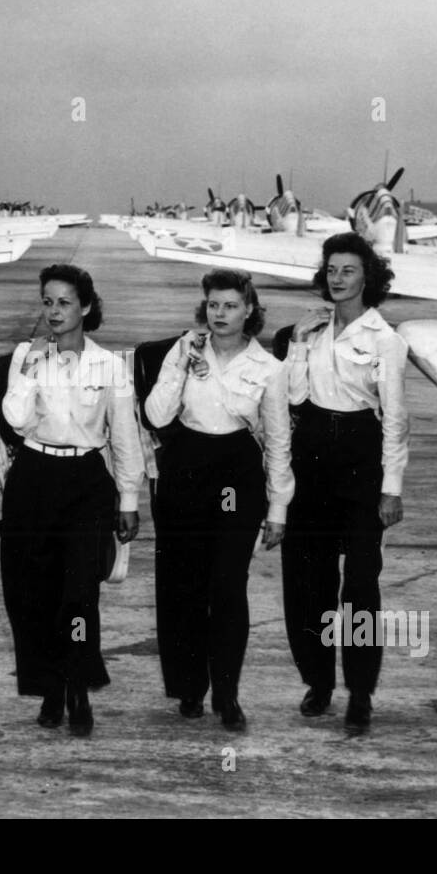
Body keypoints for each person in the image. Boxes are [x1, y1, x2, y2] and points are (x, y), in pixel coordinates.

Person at [145, 269, 292, 730]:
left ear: (249, 309)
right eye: (213, 305)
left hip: (235, 474)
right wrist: (181, 367)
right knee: (181, 584)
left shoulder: (268, 368)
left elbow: (278, 440)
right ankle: (189, 687)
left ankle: (226, 692)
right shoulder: (184, 349)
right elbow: (155, 415)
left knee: (227, 586)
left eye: (230, 305)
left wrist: (278, 507)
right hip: (185, 465)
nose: (220, 314)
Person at [0, 264, 143, 736]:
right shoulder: (28, 354)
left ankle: (78, 686)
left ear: (84, 306)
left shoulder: (109, 365)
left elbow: (124, 436)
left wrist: (128, 498)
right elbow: (16, 419)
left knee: (80, 595)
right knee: (33, 594)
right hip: (33, 478)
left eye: (64, 302)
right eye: (47, 302)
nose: (54, 312)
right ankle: (51, 689)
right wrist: (29, 368)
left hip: (86, 481)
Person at [282, 232, 409, 733]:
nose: (337, 279)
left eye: (348, 271)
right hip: (310, 457)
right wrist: (295, 343)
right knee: (307, 581)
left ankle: (360, 692)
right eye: (331, 270)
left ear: (368, 278)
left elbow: (395, 419)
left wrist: (391, 486)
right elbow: (293, 397)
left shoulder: (386, 340)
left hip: (360, 458)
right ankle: (318, 681)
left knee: (359, 584)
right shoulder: (310, 333)